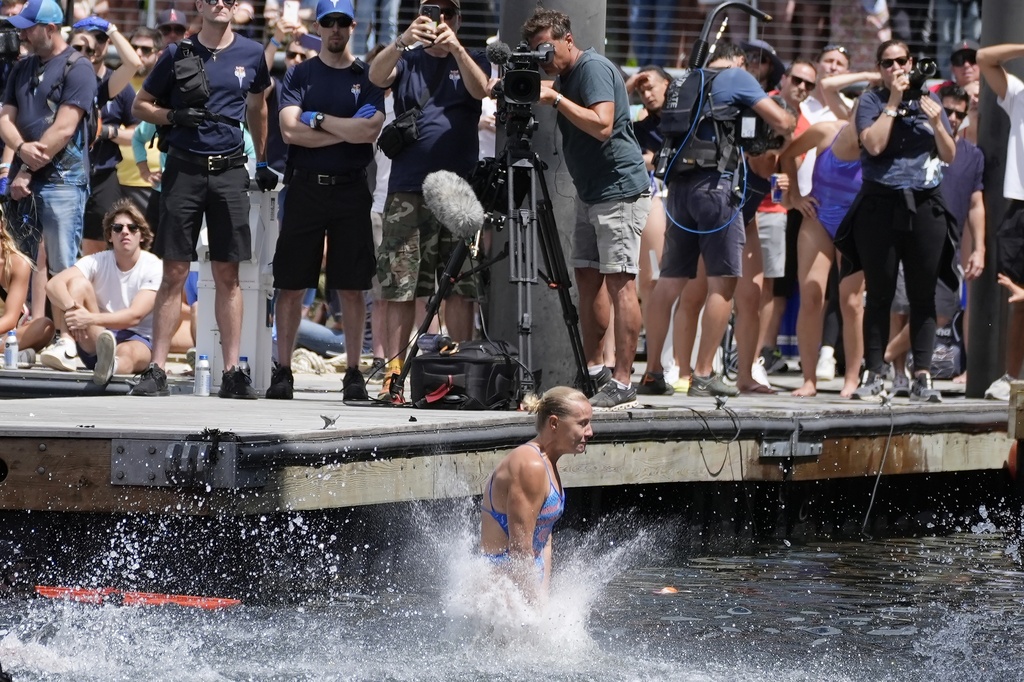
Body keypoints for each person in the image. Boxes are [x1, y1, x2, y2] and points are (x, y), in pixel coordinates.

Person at [129, 0, 274, 398]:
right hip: (184, 167)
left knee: (229, 274)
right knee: (174, 272)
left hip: (230, 170)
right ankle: (157, 370)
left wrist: (262, 161)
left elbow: (258, 106)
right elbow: (140, 105)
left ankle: (232, 372)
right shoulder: (177, 52)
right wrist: (173, 117)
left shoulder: (251, 52)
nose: (222, 4)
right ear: (200, 5)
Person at [640, 46, 794, 398]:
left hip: (677, 189)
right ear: (739, 61)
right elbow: (783, 121)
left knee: (669, 283)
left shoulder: (687, 80)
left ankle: (652, 373)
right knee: (723, 283)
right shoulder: (736, 77)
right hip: (716, 187)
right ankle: (705, 373)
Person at [522, 8, 651, 410]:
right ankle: (595, 371)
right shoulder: (563, 75)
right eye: (535, 51)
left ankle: (624, 380)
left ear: (567, 40)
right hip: (590, 191)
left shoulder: (591, 68)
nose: (543, 57)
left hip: (618, 191)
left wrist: (555, 98)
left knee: (620, 283)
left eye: (546, 48)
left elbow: (602, 124)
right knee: (588, 277)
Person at [367, 0, 489, 400]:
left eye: (448, 14)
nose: (441, 21)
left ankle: (463, 371)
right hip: (409, 189)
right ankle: (395, 374)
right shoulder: (408, 57)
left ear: (458, 19)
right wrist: (403, 41)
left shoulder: (474, 57)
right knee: (400, 285)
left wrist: (456, 48)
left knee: (460, 285)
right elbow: (376, 75)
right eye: (433, 12)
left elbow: (482, 89)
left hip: (457, 190)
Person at [266, 0, 385, 401]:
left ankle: (353, 372)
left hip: (351, 185)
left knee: (352, 286)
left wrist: (316, 118)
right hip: (305, 186)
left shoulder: (366, 75)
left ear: (352, 25)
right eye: (328, 23)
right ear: (317, 27)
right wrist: (346, 130)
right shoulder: (301, 72)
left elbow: (370, 130)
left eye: (341, 23)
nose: (335, 30)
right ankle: (282, 369)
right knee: (291, 282)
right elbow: (288, 131)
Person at [835, 39, 957, 402]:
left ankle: (922, 375)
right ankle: (875, 373)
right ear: (880, 69)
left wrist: (936, 121)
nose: (896, 69)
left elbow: (949, 154)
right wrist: (891, 103)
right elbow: (872, 145)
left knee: (923, 294)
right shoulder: (871, 101)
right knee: (880, 292)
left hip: (924, 205)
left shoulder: (929, 100)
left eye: (901, 61)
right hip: (880, 203)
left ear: (911, 61)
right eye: (887, 64)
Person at [0, 0, 97, 278]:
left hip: (62, 183)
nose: (21, 36)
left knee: (62, 271)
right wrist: (19, 148)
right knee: (16, 266)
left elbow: (64, 128)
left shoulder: (78, 67)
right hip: (23, 183)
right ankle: (25, 323)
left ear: (50, 28)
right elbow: (5, 118)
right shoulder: (22, 67)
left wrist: (27, 169)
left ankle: (67, 324)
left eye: (28, 29)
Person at [480, 386, 592, 600]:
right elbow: (520, 551)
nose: (590, 432)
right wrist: (535, 613)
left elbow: (544, 538)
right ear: (554, 424)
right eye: (582, 423)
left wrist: (543, 598)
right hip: (501, 593)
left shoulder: (549, 463)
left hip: (526, 581)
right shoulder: (530, 464)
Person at [780, 116, 865, 397]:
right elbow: (788, 154)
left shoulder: (878, 144)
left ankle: (851, 378)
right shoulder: (826, 130)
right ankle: (809, 380)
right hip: (817, 216)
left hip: (855, 223)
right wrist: (795, 196)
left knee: (851, 302)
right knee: (811, 296)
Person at [41, 199, 161, 386]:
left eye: (132, 228)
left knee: (127, 353)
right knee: (77, 284)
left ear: (142, 235)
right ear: (110, 236)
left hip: (138, 338)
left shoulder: (153, 265)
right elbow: (53, 285)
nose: (125, 232)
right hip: (96, 338)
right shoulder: (97, 260)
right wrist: (73, 308)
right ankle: (66, 345)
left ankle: (109, 367)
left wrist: (88, 319)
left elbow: (135, 316)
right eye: (118, 228)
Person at [70, 17, 143, 256]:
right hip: (67, 174)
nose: (90, 49)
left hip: (102, 173)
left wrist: (111, 28)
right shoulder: (60, 79)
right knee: (57, 247)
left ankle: (90, 294)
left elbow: (133, 63)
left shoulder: (108, 86)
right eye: (79, 47)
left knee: (98, 248)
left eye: (99, 41)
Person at [977, 42, 1024, 401]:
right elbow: (984, 58)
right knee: (1017, 299)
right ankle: (1012, 378)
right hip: (1020, 209)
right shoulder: (1019, 93)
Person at [0, 212, 54, 358]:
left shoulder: (18, 263)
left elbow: (10, 320)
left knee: (45, 326)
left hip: (6, 335)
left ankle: (11, 351)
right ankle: (17, 354)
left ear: (1, 225)